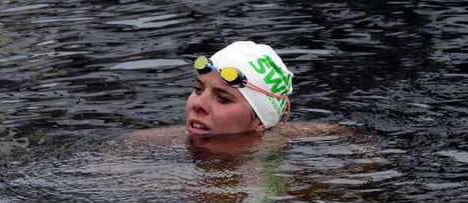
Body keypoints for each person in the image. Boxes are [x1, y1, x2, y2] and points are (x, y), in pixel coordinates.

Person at [121, 40, 357, 153]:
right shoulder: (173, 139)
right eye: (198, 89)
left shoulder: (273, 149)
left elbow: (346, 136)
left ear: (258, 121)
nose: (198, 105)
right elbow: (126, 145)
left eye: (223, 99)